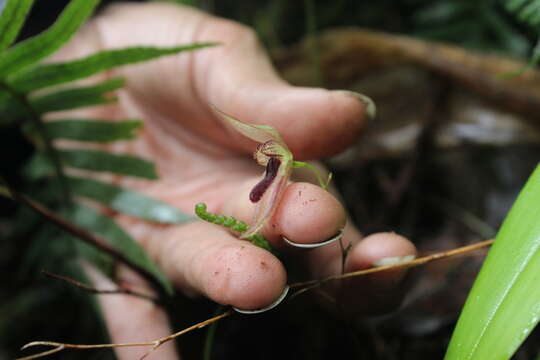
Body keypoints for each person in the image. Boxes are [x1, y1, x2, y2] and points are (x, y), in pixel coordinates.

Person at [52, 2, 417, 358]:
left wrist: (73, 25)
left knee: (294, 216)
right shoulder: (272, 158)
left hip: (270, 182)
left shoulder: (277, 157)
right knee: (271, 238)